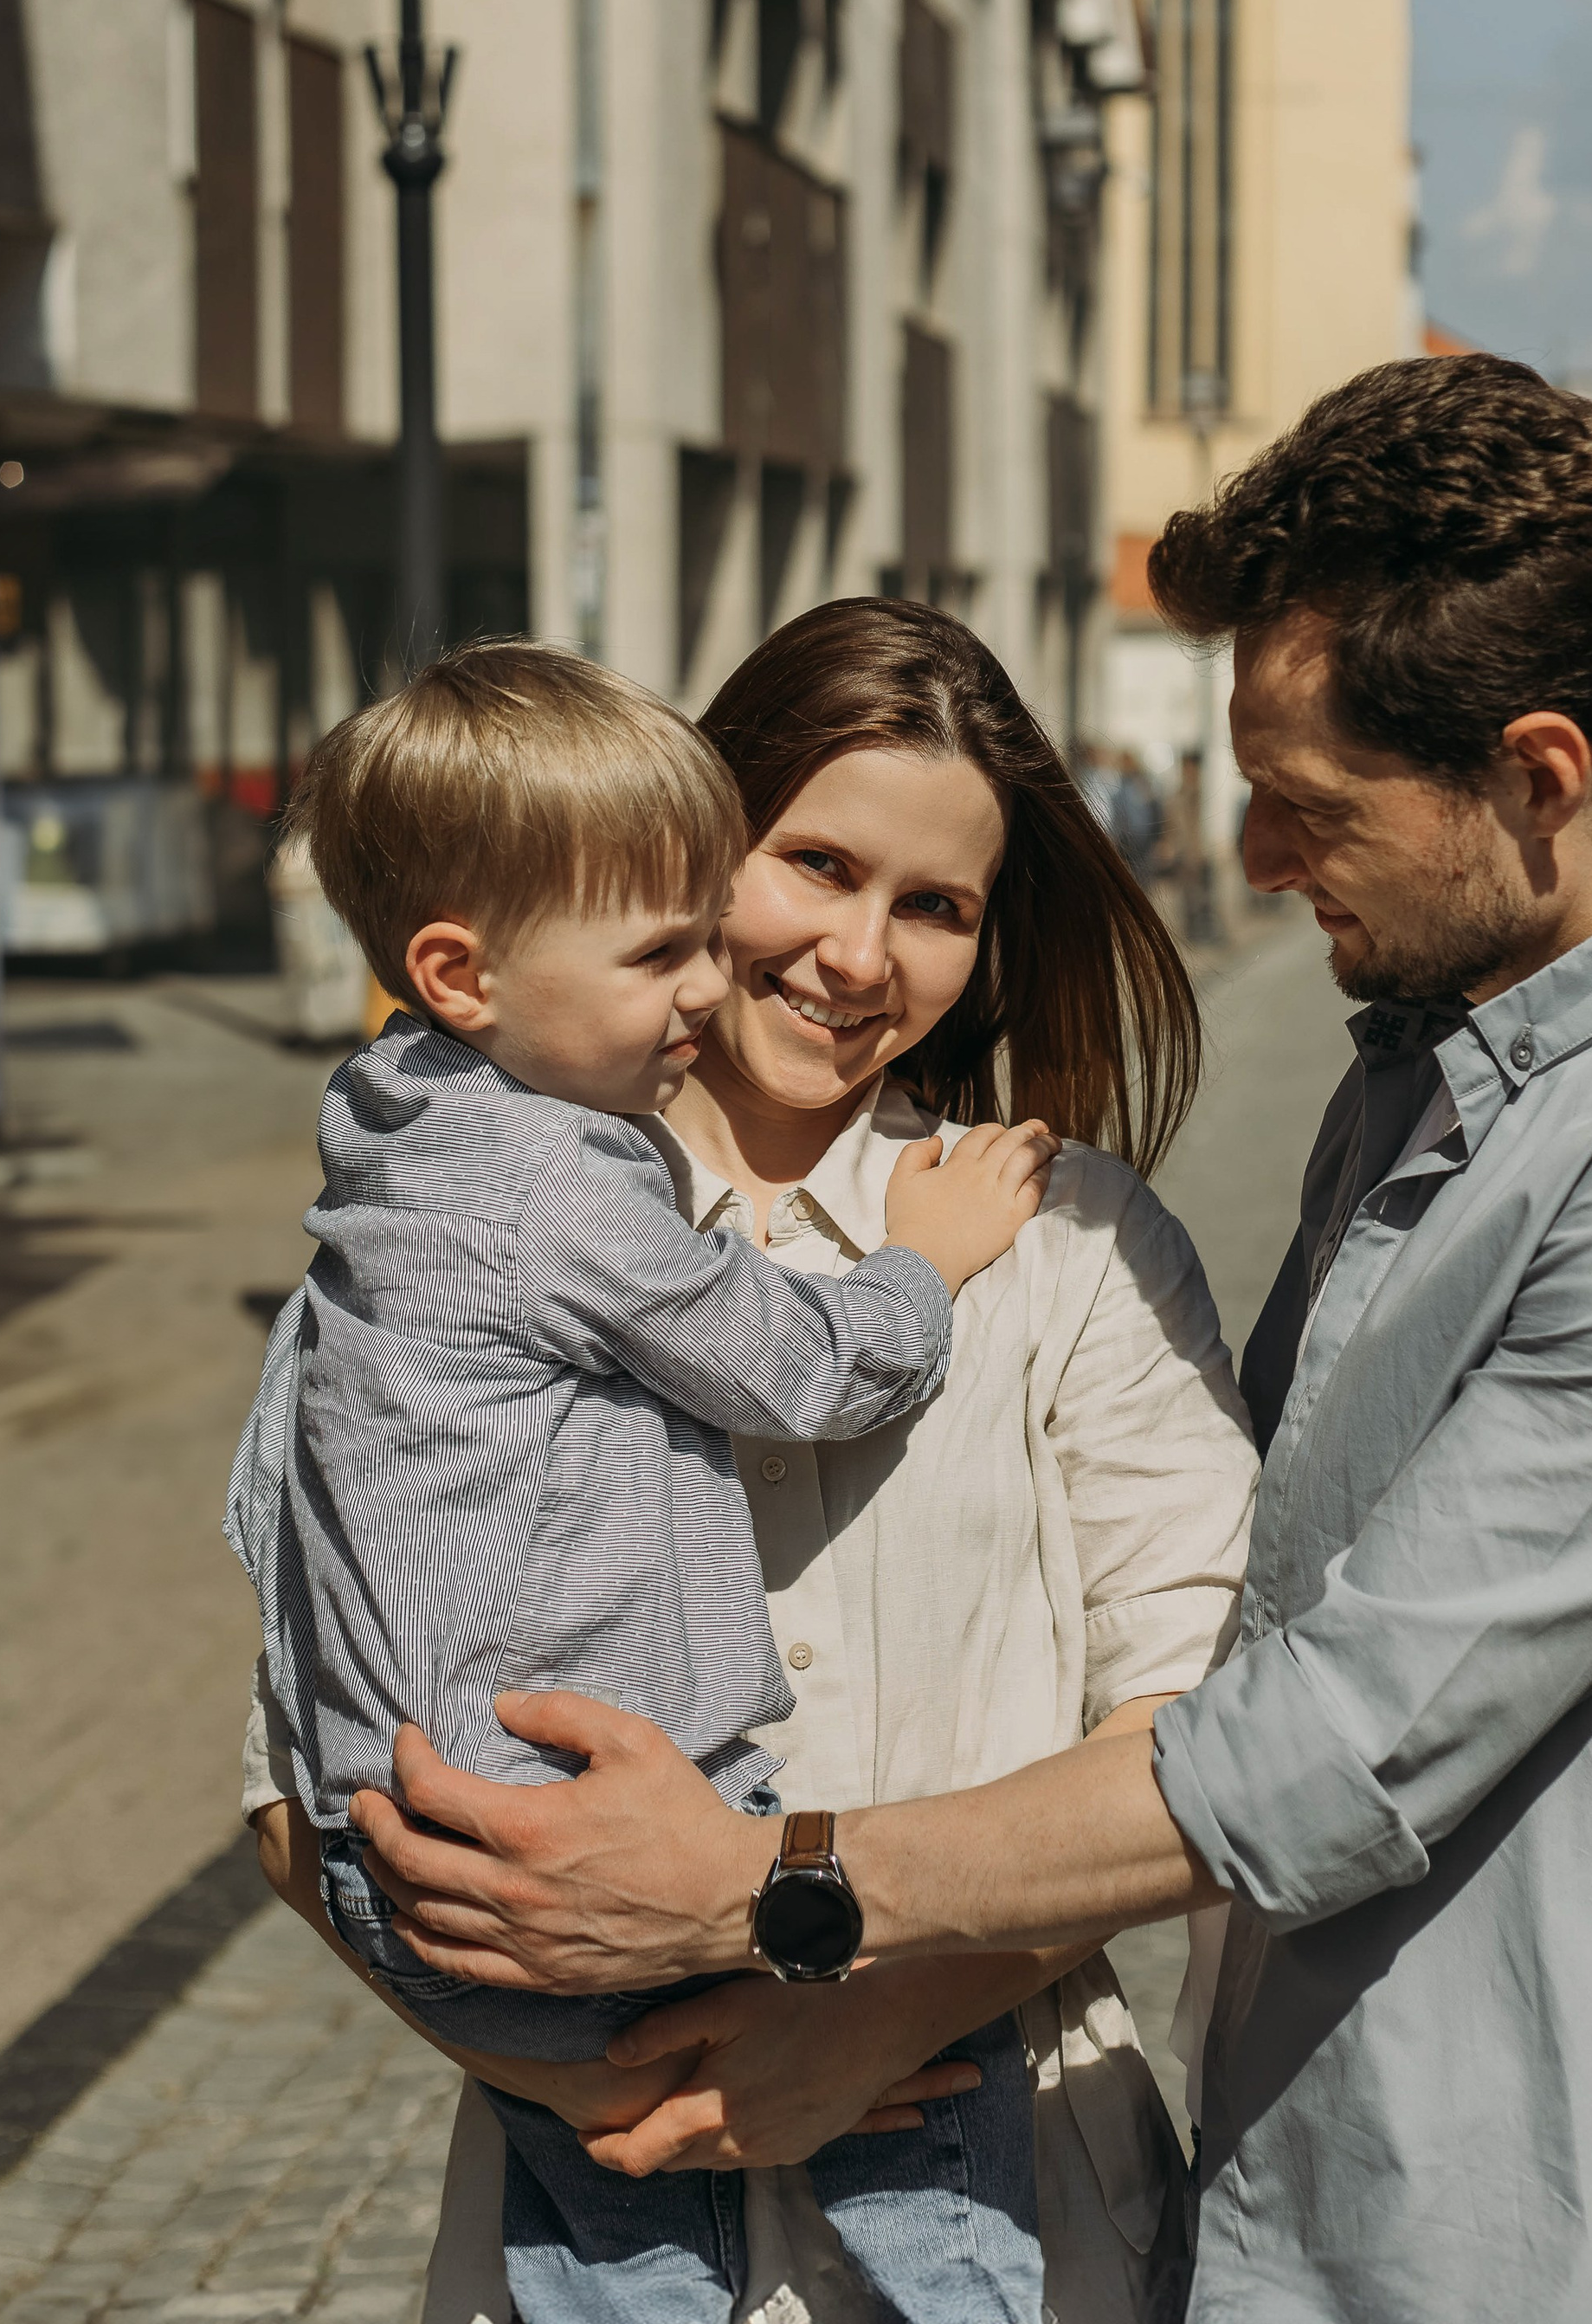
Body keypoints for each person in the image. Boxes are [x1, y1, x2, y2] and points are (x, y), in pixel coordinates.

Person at [345, 358, 1592, 2324]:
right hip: (1269, 2197)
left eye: (1303, 806)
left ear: (1534, 776)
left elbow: (1308, 1737)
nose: (1260, 868)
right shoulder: (1420, 1085)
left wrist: (763, 1901)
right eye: (812, 865)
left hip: (1514, 2223)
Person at [247, 600, 1259, 2324]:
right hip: (589, 2209)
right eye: (816, 862)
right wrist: (555, 2070)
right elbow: (294, 1770)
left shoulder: (1068, 1246)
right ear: (694, 848)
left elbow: (1207, 1757)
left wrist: (855, 2009)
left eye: (931, 905)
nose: (860, 953)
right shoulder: (437, 1237)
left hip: (1010, 2189)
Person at [226, 643, 1052, 2105]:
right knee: (923, 2162)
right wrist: (922, 1260)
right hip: (539, 1846)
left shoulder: (390, 1142)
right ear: (458, 972)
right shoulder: (560, 1193)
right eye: (661, 950)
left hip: (410, 1840)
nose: (708, 982)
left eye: (933, 905)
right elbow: (800, 1363)